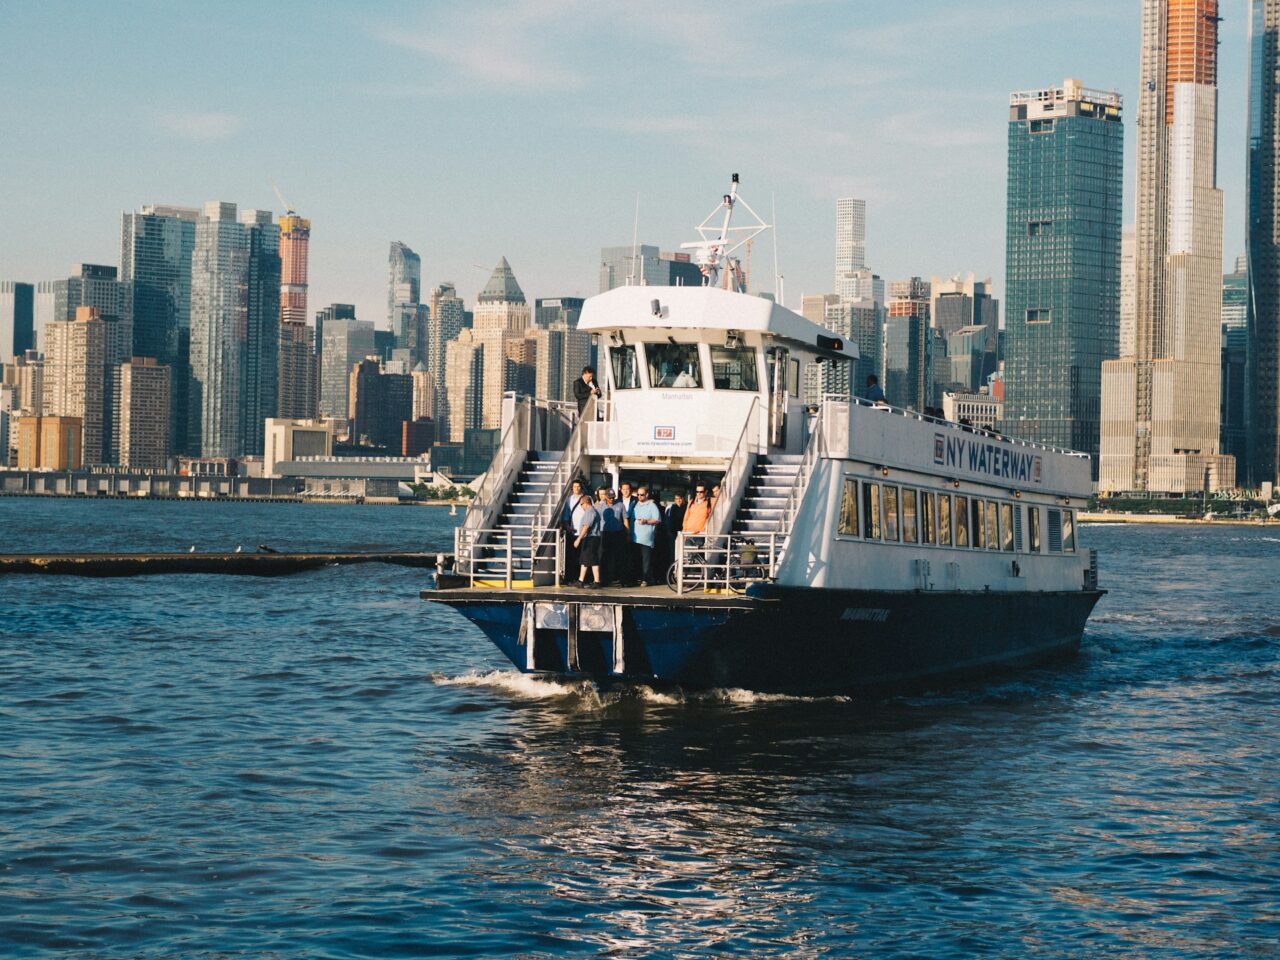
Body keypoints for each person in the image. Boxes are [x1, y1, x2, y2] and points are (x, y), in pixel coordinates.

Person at [630, 486, 662, 586]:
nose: (639, 496)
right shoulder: (636, 505)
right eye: (638, 494)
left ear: (647, 494)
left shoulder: (652, 505)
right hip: (635, 537)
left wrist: (646, 521)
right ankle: (638, 577)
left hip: (646, 538)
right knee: (637, 559)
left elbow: (657, 520)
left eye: (642, 495)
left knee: (646, 560)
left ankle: (646, 579)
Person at [596, 487, 627, 585]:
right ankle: (604, 579)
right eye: (610, 498)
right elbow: (596, 520)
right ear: (605, 497)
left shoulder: (620, 505)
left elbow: (625, 519)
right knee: (604, 556)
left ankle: (618, 578)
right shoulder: (600, 506)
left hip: (617, 533)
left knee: (618, 556)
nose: (612, 499)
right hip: (604, 533)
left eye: (613, 497)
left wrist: (628, 532)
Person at [572, 493, 603, 588]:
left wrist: (578, 539)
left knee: (592, 560)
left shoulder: (590, 511)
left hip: (591, 538)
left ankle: (597, 581)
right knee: (585, 559)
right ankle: (580, 580)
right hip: (590, 538)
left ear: (585, 503)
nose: (581, 507)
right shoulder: (591, 511)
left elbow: (586, 526)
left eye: (581, 504)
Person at [561, 479, 584, 577]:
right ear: (572, 488)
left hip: (584, 532)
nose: (576, 488)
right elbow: (566, 516)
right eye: (575, 486)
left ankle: (583, 578)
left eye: (578, 486)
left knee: (583, 557)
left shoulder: (586, 498)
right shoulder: (569, 500)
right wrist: (568, 527)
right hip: (572, 532)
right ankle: (572, 577)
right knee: (572, 556)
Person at [618, 481, 638, 584]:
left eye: (628, 489)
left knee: (632, 555)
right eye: (624, 489)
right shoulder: (617, 501)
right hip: (620, 531)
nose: (626, 491)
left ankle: (631, 579)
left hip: (633, 530)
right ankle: (622, 578)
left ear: (630, 490)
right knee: (621, 555)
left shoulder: (636, 500)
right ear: (620, 490)